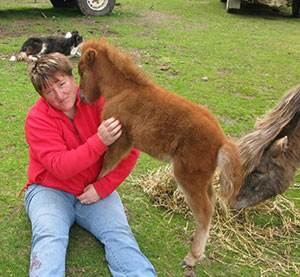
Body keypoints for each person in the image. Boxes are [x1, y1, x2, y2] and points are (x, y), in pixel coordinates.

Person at [21, 52, 157, 277]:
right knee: (49, 236)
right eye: (49, 91)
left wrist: (103, 187)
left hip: (94, 188)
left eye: (61, 83)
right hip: (49, 190)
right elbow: (60, 166)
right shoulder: (37, 118)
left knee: (119, 234)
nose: (59, 94)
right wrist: (100, 141)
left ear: (74, 78)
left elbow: (130, 148)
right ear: (41, 95)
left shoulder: (102, 100)